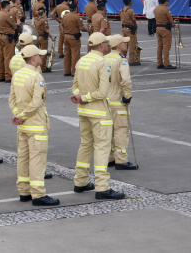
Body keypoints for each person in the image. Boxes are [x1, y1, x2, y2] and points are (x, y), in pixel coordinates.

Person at [71, 33, 125, 201]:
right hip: (99, 112)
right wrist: (85, 97)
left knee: (85, 145)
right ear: (102, 45)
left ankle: (80, 182)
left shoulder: (82, 61)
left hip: (83, 111)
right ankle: (102, 187)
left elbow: (74, 86)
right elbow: (102, 92)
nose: (108, 46)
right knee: (102, 148)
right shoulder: (103, 62)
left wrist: (79, 97)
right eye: (106, 43)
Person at [10, 44, 59, 206]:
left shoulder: (18, 74)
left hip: (22, 125)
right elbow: (37, 102)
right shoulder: (36, 76)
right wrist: (23, 115)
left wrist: (18, 114)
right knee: (37, 159)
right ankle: (38, 194)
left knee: (23, 158)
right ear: (33, 58)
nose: (41, 57)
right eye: (39, 55)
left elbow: (12, 99)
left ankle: (24, 191)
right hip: (36, 124)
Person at [103, 35, 137, 171]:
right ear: (118, 45)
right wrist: (127, 96)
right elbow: (126, 80)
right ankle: (121, 159)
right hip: (118, 100)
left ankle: (110, 158)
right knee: (121, 130)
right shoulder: (121, 60)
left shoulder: (104, 59)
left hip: (106, 99)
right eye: (124, 42)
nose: (126, 44)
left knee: (109, 130)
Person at [154, 0, 175, 69]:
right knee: (166, 46)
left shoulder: (156, 9)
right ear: (166, 1)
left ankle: (159, 63)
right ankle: (166, 63)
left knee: (160, 46)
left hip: (158, 28)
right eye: (168, 1)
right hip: (165, 29)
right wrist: (173, 25)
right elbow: (170, 19)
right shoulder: (166, 9)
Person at [119, 0, 140, 66]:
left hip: (124, 28)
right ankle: (132, 60)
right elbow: (133, 20)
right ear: (130, 2)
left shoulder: (121, 10)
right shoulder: (131, 11)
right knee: (131, 44)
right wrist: (135, 25)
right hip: (130, 28)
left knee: (124, 44)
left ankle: (123, 58)